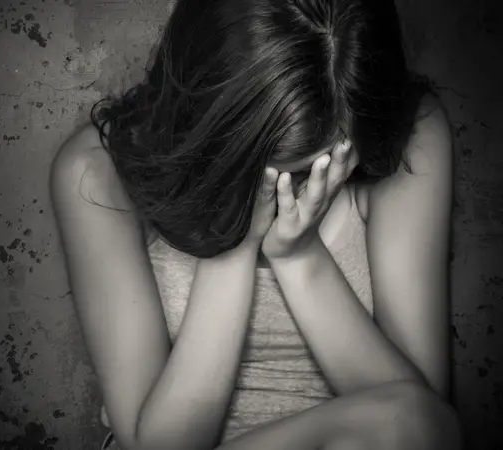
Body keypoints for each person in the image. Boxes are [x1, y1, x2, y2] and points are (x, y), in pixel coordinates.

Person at [49, 0, 463, 449]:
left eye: (316, 168)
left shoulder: (412, 135)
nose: (287, 188)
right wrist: (233, 245)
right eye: (266, 169)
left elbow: (426, 424)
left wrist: (299, 257)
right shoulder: (95, 172)